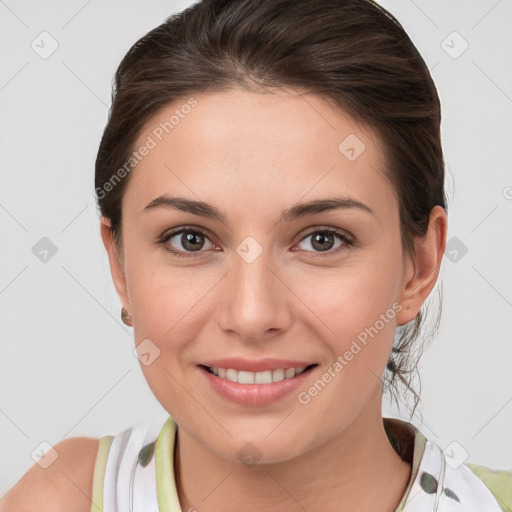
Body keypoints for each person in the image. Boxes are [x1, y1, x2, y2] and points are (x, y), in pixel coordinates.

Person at [2, 0, 511, 511]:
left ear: (418, 268)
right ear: (120, 266)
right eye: (190, 239)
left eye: (322, 239)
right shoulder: (60, 499)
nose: (251, 315)